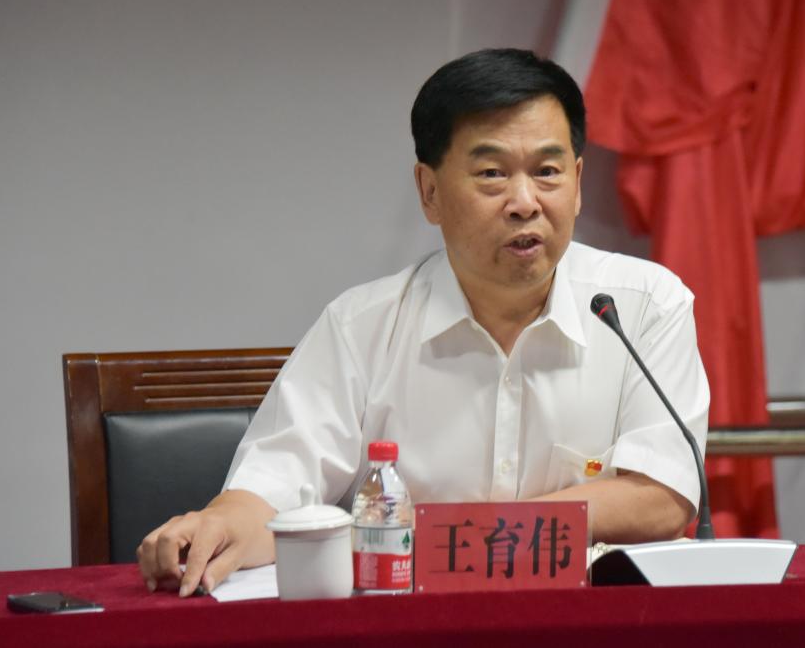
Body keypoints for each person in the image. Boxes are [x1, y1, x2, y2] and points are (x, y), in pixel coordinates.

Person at [137, 48, 710, 597]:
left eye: (547, 172)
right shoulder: (362, 328)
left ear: (578, 183)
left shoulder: (644, 306)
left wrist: (474, 539)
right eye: (492, 173)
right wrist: (217, 525)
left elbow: (661, 497)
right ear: (430, 192)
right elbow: (273, 488)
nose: (524, 202)